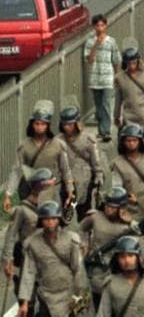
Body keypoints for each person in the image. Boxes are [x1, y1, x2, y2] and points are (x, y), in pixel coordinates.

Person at [17, 201, 89, 317]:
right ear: (41, 221)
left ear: (59, 219)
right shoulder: (33, 243)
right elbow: (28, 273)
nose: (50, 222)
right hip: (46, 295)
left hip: (67, 293)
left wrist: (79, 295)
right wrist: (25, 302)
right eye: (46, 219)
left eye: (53, 218)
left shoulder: (70, 240)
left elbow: (78, 269)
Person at [4, 100, 74, 213]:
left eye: (43, 124)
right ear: (32, 124)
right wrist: (8, 194)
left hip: (52, 191)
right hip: (31, 193)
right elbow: (17, 171)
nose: (39, 127)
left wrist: (70, 190)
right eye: (37, 124)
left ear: (48, 126)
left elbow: (65, 170)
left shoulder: (58, 145)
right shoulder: (24, 146)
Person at [2, 168, 54, 305]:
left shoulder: (50, 208)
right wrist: (7, 261)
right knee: (26, 302)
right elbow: (10, 235)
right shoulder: (23, 210)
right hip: (27, 261)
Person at [79, 187, 137, 310]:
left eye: (112, 207)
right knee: (97, 301)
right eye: (107, 205)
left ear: (121, 208)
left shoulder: (130, 226)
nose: (108, 209)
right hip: (96, 268)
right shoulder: (96, 217)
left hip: (118, 269)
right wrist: (84, 245)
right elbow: (81, 229)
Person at [96, 236, 144, 317]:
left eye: (130, 255)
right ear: (117, 259)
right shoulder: (111, 283)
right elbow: (103, 314)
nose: (126, 260)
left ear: (138, 257)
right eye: (122, 256)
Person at [58, 105, 103, 221]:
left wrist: (98, 175)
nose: (67, 127)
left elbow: (95, 160)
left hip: (84, 177)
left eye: (70, 124)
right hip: (66, 176)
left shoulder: (88, 139)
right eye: (65, 124)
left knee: (83, 208)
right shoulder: (59, 140)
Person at [111, 123, 144, 221]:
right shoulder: (118, 163)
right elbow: (116, 186)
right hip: (128, 206)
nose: (131, 143)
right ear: (123, 142)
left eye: (134, 140)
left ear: (140, 142)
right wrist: (126, 198)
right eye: (128, 141)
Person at [84, 14, 121, 142]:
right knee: (98, 106)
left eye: (102, 25)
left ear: (105, 26)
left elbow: (116, 60)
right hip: (95, 78)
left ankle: (106, 131)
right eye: (97, 25)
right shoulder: (89, 42)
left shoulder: (111, 41)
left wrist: (117, 76)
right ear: (94, 27)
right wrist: (96, 44)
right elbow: (89, 59)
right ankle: (101, 130)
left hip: (107, 78)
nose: (100, 28)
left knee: (106, 104)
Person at [114, 47, 144, 131]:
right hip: (128, 115)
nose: (131, 66)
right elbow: (118, 100)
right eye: (129, 63)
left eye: (134, 63)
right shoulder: (120, 78)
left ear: (138, 62)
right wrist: (116, 116)